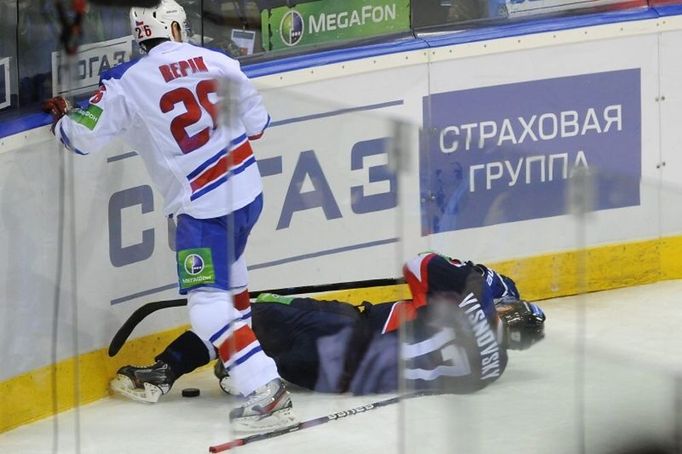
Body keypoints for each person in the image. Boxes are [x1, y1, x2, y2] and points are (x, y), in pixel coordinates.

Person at [42, 0, 294, 432]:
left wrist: (64, 122)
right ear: (176, 28)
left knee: (206, 308)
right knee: (233, 287)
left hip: (203, 209)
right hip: (248, 193)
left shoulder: (127, 81)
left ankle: (265, 386)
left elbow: (82, 137)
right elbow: (258, 124)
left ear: (141, 36)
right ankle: (238, 374)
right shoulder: (220, 61)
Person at [113, 252, 546, 397]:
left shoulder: (476, 296)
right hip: (329, 379)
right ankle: (247, 371)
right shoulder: (493, 369)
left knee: (245, 311)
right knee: (263, 341)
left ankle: (163, 370)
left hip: (344, 330)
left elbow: (418, 264)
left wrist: (472, 278)